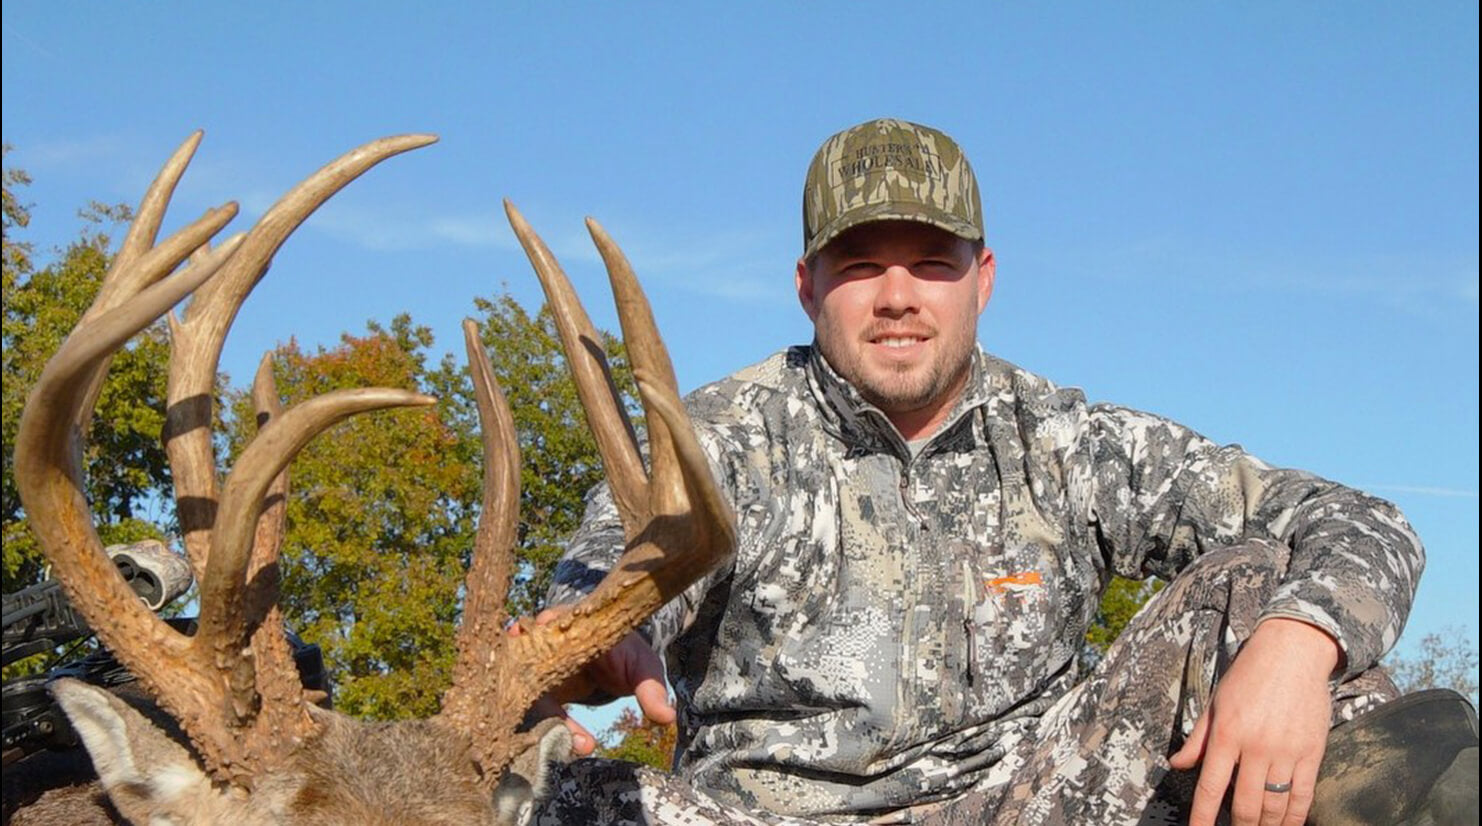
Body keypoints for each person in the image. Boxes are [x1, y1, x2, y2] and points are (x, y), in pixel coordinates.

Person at [530, 118, 1477, 825]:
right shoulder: (721, 436)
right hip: (761, 816)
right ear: (808, 285)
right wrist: (594, 640)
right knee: (537, 790)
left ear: (982, 279)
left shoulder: (1063, 440)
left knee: (1275, 610)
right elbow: (601, 576)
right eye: (859, 266)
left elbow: (1362, 521)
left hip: (1031, 803)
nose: (897, 297)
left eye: (930, 264)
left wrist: (1299, 643)